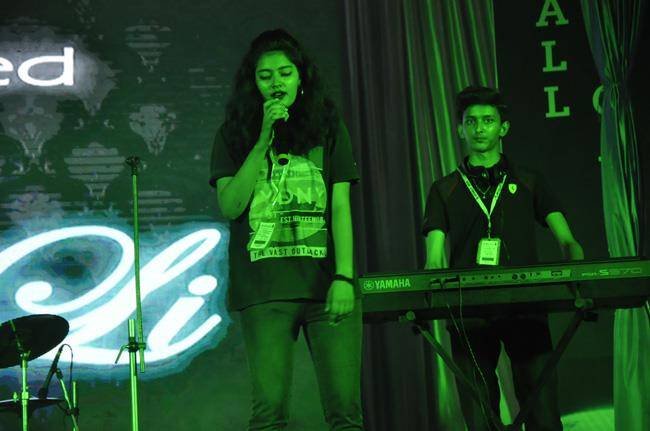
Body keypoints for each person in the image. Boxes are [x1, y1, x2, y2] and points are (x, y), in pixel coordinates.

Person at [209, 29, 363, 430]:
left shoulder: (328, 127)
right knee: (269, 414)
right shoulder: (233, 134)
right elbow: (230, 205)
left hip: (326, 286)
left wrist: (345, 276)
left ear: (301, 77)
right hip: (264, 291)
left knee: (346, 414)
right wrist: (262, 140)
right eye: (265, 76)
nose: (276, 83)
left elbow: (340, 206)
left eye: (285, 73)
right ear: (253, 84)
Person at [423, 86, 584, 430]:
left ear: (503, 127)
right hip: (469, 310)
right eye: (471, 121)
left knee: (542, 410)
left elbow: (568, 240)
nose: (479, 128)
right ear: (460, 130)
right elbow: (433, 258)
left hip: (525, 306)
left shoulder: (529, 181)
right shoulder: (444, 189)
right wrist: (432, 285)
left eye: (488, 120)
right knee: (479, 416)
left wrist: (580, 270)